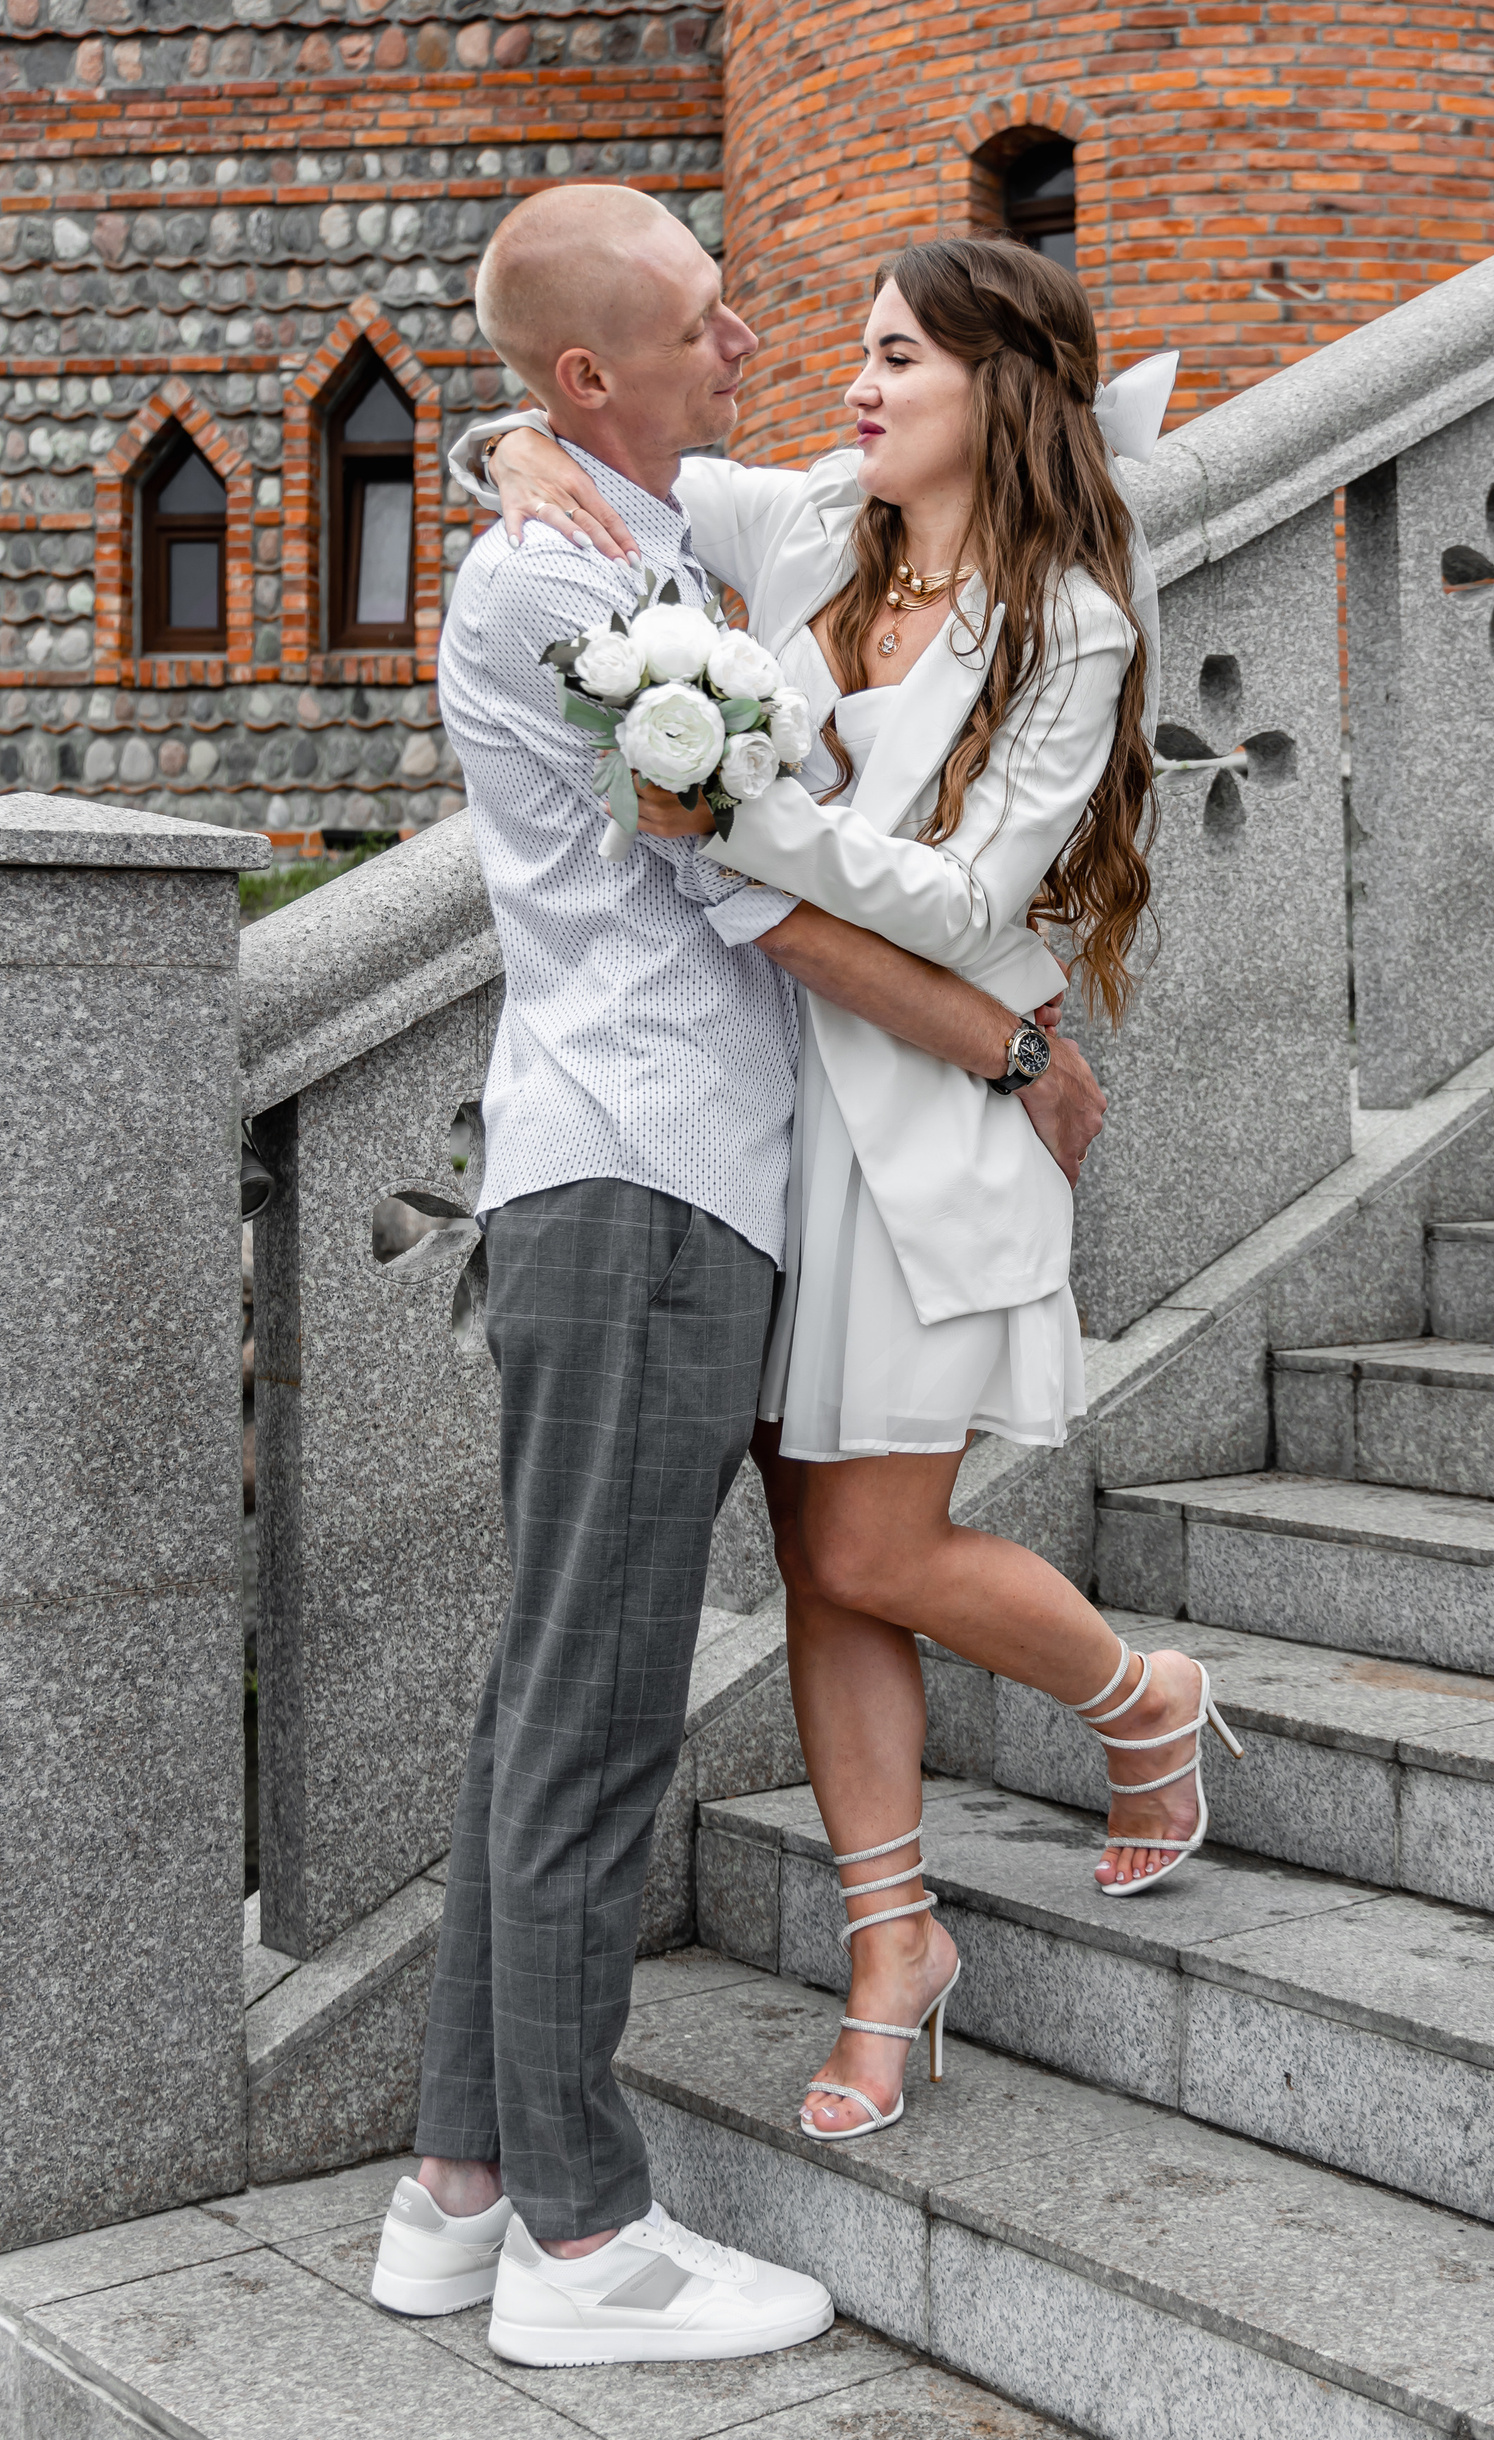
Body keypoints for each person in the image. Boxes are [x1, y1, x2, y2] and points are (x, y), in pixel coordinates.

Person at [367, 185, 1109, 2366]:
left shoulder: (640, 542)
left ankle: (457, 2185)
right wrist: (1012, 1045)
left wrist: (519, 437)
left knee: (550, 1696)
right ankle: (585, 2244)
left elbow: (899, 477)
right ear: (602, 372)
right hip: (643, 1181)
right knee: (594, 1718)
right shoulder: (556, 594)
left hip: (676, 1186)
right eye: (710, 319)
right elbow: (739, 900)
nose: (754, 347)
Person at [456, 222, 1244, 2157]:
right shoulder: (816, 523)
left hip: (940, 1112)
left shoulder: (1071, 629)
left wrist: (747, 817)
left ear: (999, 389)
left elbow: (971, 904)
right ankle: (894, 1946)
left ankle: (1142, 1694)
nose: (855, 384)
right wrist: (511, 449)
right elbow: (611, 474)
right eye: (864, 353)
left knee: (875, 1549)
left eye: (899, 358)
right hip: (775, 1114)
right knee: (820, 1557)